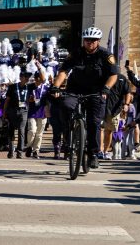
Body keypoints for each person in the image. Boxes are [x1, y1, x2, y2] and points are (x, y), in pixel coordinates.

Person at [50, 27, 118, 170]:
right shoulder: (76, 53)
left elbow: (113, 75)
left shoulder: (105, 55)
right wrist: (56, 86)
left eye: (93, 40)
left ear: (98, 41)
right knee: (66, 106)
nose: (89, 43)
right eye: (87, 40)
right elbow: (64, 71)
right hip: (75, 90)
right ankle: (69, 137)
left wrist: (106, 88)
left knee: (94, 122)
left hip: (97, 91)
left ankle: (93, 154)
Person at [2, 69, 32, 158]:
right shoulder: (13, 87)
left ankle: (19, 152)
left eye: (28, 77)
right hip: (12, 110)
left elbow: (42, 80)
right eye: (25, 77)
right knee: (11, 131)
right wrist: (4, 113)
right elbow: (7, 100)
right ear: (20, 77)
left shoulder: (29, 87)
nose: (27, 79)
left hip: (24, 111)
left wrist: (39, 67)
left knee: (21, 131)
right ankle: (11, 150)